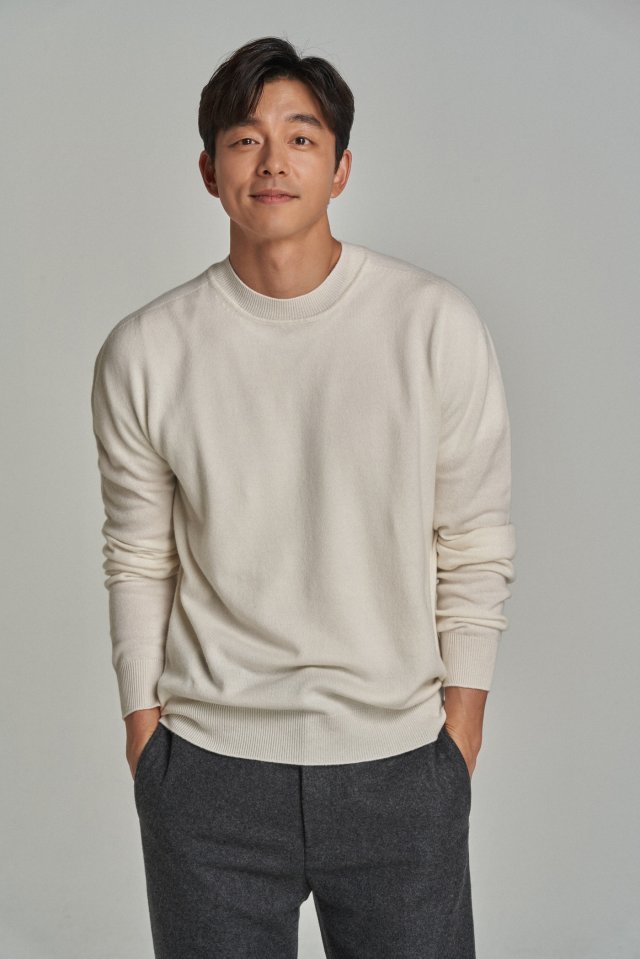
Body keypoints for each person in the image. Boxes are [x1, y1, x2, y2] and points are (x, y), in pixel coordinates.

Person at [90, 34, 516, 959]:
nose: (273, 161)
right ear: (209, 171)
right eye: (245, 139)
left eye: (301, 137)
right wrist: (145, 741)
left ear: (342, 167)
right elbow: (138, 556)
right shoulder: (147, 351)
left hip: (400, 765)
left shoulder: (432, 325)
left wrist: (460, 736)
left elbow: (474, 539)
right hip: (209, 773)